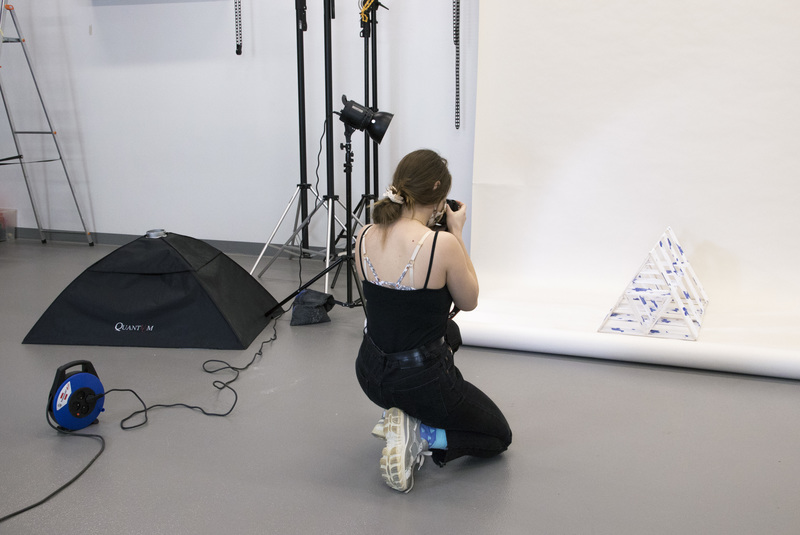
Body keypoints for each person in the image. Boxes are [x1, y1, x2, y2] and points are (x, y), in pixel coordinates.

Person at [354, 149, 512, 493]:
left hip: (369, 372)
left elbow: (387, 307)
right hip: (419, 381)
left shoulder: (364, 234)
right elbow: (469, 301)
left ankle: (398, 413)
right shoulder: (442, 244)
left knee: (447, 331)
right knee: (498, 435)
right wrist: (456, 233)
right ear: (440, 195)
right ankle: (422, 433)